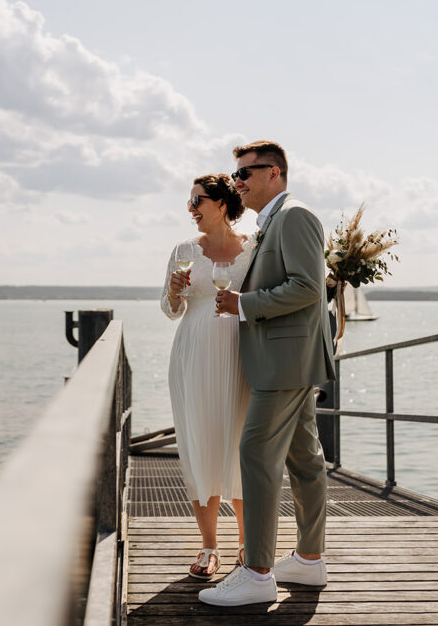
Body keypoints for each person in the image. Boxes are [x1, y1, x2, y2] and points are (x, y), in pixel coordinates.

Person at [200, 140, 335, 607]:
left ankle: (257, 573)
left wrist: (244, 305)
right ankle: (309, 559)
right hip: (287, 359)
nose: (237, 182)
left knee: (255, 454)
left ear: (274, 173)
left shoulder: (294, 216)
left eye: (245, 173)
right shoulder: (273, 220)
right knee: (303, 458)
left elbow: (306, 286)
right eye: (235, 174)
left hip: (284, 362)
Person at [161, 173, 254, 579]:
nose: (191, 208)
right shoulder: (184, 250)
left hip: (242, 356)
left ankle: (250, 541)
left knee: (244, 447)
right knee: (201, 443)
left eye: (198, 200)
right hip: (195, 353)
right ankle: (209, 546)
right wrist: (174, 290)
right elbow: (170, 310)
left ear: (221, 203)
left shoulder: (253, 249)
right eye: (189, 202)